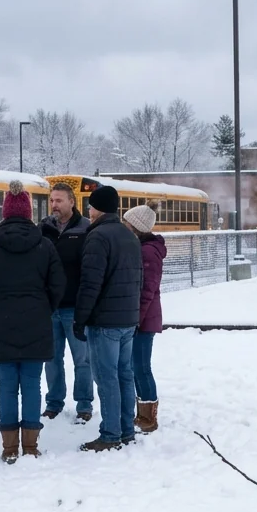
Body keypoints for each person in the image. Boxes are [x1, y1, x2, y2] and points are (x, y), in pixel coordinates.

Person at [0, 182, 64, 462]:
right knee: (32, 384)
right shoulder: (44, 245)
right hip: (36, 322)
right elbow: (57, 284)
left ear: (3, 213)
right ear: (28, 213)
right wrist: (44, 307)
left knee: (6, 386)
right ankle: (31, 445)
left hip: (1, 322)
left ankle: (9, 446)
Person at [73, 184, 143, 452]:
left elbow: (91, 283)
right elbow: (139, 279)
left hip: (104, 322)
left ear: (98, 208)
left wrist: (81, 318)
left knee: (106, 378)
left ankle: (110, 434)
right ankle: (126, 430)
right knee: (124, 376)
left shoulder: (98, 237)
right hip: (128, 320)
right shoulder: (130, 236)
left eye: (90, 206)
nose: (88, 210)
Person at [39, 181, 93, 423]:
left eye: (59, 200)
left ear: (72, 202)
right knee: (51, 359)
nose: (54, 205)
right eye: (52, 200)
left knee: (82, 359)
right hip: (50, 307)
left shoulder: (85, 229)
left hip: (75, 306)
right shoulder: (43, 229)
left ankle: (84, 404)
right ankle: (54, 402)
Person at [122, 205, 165, 433]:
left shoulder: (148, 252)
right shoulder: (144, 248)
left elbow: (147, 289)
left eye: (127, 223)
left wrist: (136, 319)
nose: (124, 226)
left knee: (141, 366)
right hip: (143, 317)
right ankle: (144, 414)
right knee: (136, 366)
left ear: (136, 227)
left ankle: (148, 418)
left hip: (144, 320)